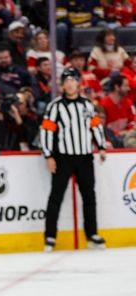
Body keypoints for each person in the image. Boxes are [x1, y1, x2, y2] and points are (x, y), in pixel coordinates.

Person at [40, 67, 107, 252]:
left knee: (89, 196)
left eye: (73, 79)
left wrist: (101, 146)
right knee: (56, 197)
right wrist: (48, 155)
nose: (70, 83)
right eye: (66, 80)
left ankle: (92, 234)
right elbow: (46, 131)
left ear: (78, 83)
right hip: (64, 158)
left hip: (85, 157)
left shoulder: (87, 104)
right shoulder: (55, 106)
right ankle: (50, 237)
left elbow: (95, 126)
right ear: (63, 84)